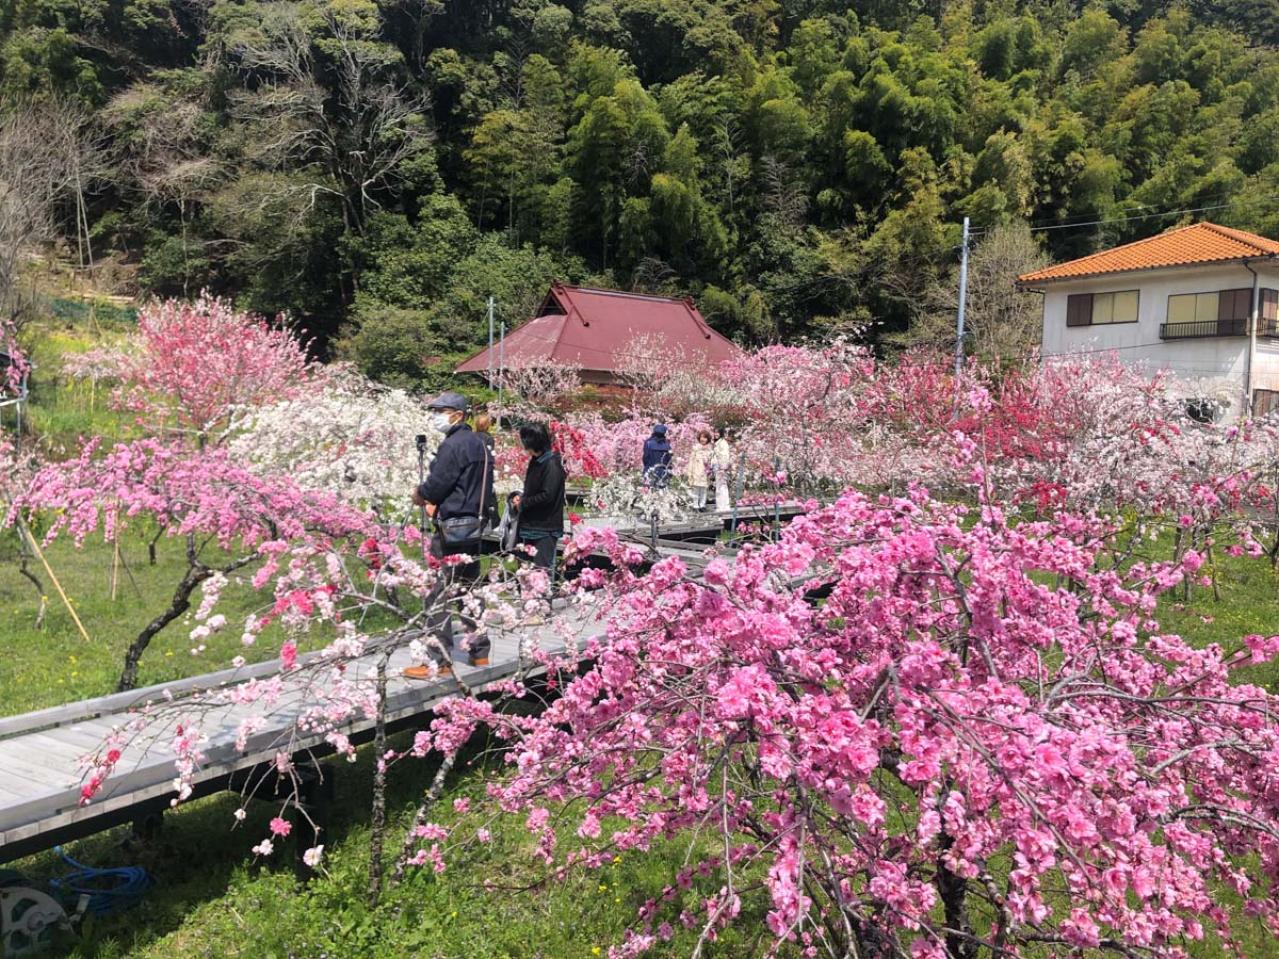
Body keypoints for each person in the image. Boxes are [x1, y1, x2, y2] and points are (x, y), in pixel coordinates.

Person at [406, 391, 495, 679]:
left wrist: (420, 494)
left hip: (450, 529)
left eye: (440, 411)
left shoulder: (453, 446)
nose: (436, 417)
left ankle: (439, 659)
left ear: (457, 414)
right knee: (470, 590)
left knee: (438, 594)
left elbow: (437, 485)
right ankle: (479, 651)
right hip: (473, 526)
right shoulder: (481, 445)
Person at [511, 422, 566, 575]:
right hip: (530, 525)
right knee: (526, 571)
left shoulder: (551, 464)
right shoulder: (537, 461)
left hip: (544, 528)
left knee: (541, 572)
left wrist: (523, 503)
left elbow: (547, 495)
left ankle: (542, 598)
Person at [685, 430, 713, 511]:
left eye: (705, 437)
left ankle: (702, 505)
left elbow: (712, 461)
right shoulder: (696, 449)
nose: (703, 439)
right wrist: (690, 472)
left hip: (705, 472)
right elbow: (691, 461)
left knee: (704, 490)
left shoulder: (710, 450)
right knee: (696, 489)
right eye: (701, 437)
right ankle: (695, 505)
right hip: (696, 471)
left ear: (708, 439)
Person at [642, 423, 673, 488]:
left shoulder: (648, 443)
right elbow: (669, 460)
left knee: (648, 491)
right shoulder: (667, 445)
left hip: (650, 469)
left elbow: (645, 458)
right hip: (663, 471)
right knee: (662, 492)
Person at [712, 428, 734, 512]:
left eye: (717, 432)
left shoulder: (722, 443)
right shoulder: (718, 443)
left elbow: (725, 455)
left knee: (721, 486)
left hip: (721, 466)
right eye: (715, 432)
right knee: (721, 486)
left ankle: (722, 506)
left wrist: (723, 467)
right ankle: (722, 505)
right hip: (718, 466)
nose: (715, 434)